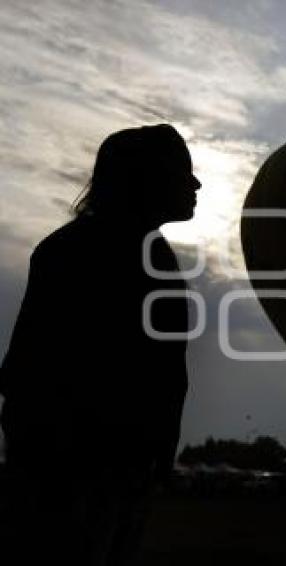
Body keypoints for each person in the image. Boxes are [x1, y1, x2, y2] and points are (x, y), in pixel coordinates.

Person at [0, 124, 201, 565]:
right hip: (83, 468)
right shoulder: (111, 254)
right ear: (145, 178)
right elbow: (33, 364)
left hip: (99, 465)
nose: (196, 184)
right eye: (183, 172)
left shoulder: (80, 248)